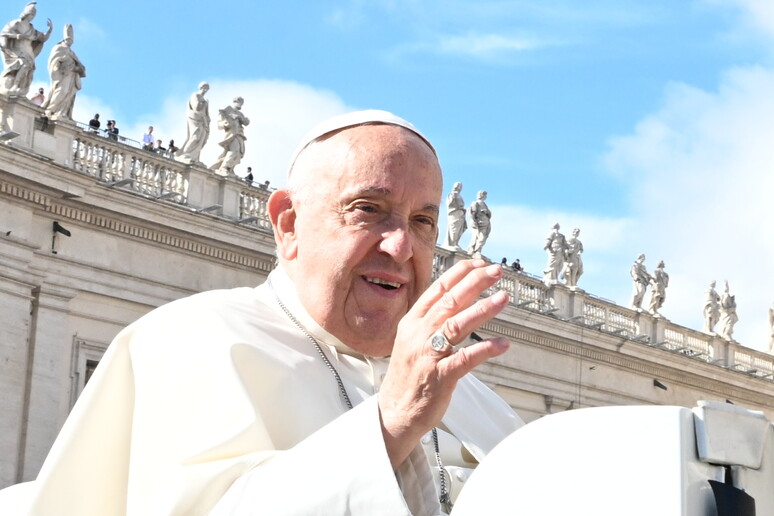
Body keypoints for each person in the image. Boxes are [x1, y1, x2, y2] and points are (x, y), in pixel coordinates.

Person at [0, 110, 522, 515]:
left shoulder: (478, 400)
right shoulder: (186, 343)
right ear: (288, 223)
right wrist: (389, 424)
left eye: (423, 221)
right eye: (368, 209)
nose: (401, 246)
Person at [0, 2, 53, 96]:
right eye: (31, 14)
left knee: (29, 71)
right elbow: (4, 34)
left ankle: (21, 88)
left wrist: (49, 30)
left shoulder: (31, 28)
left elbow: (42, 38)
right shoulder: (16, 23)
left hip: (29, 52)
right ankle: (15, 85)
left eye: (34, 15)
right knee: (24, 64)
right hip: (17, 50)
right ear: (26, 13)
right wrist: (17, 36)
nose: (32, 16)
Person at [40, 24, 85, 121]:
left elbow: (81, 66)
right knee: (61, 91)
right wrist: (59, 69)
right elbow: (53, 61)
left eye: (71, 41)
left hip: (71, 76)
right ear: (65, 39)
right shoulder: (58, 48)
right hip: (62, 76)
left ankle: (62, 112)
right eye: (69, 40)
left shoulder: (72, 52)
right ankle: (51, 109)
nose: (70, 42)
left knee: (67, 94)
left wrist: (77, 68)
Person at [211, 96, 250, 176]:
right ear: (235, 102)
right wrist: (225, 124)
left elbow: (246, 122)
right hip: (231, 134)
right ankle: (224, 167)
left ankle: (229, 168)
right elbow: (219, 124)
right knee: (234, 150)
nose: (240, 105)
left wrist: (242, 119)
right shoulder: (227, 110)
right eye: (240, 103)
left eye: (242, 104)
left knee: (239, 153)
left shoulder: (240, 114)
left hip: (240, 135)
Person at [177, 81, 210, 164]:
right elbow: (197, 107)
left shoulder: (205, 100)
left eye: (207, 88)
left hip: (203, 121)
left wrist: (208, 120)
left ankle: (194, 157)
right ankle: (186, 153)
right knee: (195, 137)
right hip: (195, 119)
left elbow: (206, 113)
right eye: (205, 87)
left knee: (202, 140)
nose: (206, 90)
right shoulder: (195, 96)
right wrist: (203, 102)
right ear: (201, 87)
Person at [466, 190, 491, 258]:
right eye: (484, 195)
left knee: (482, 238)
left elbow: (489, 214)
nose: (485, 196)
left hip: (485, 223)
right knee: (478, 237)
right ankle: (475, 250)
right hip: (479, 223)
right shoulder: (475, 203)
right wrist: (473, 221)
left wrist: (486, 212)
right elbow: (472, 213)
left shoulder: (485, 204)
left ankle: (478, 250)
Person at [444, 181, 466, 249]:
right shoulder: (451, 194)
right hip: (454, 213)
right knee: (453, 228)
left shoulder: (461, 197)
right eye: (457, 185)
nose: (458, 187)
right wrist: (454, 196)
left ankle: (455, 243)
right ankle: (452, 243)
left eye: (460, 186)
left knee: (459, 230)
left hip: (460, 215)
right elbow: (449, 204)